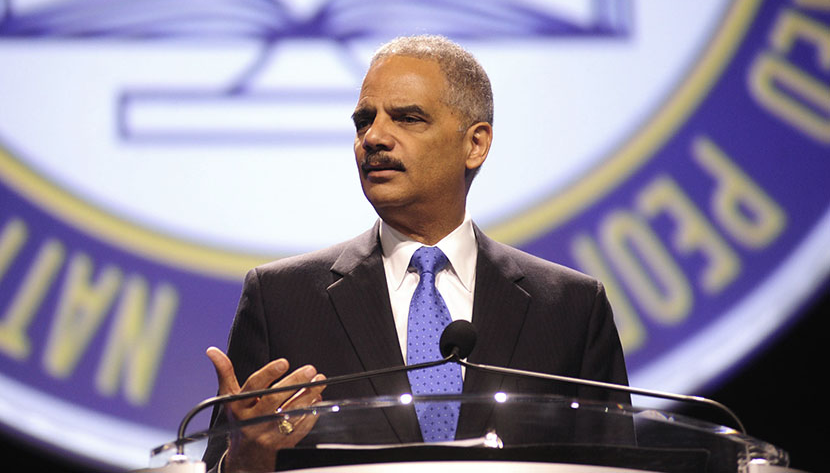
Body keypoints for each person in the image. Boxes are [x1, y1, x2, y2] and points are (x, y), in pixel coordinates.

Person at [203, 35, 628, 472]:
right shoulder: (282, 300)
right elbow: (226, 462)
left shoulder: (570, 308)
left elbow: (619, 465)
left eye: (407, 118)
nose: (374, 138)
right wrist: (247, 455)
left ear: (475, 144)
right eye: (363, 121)